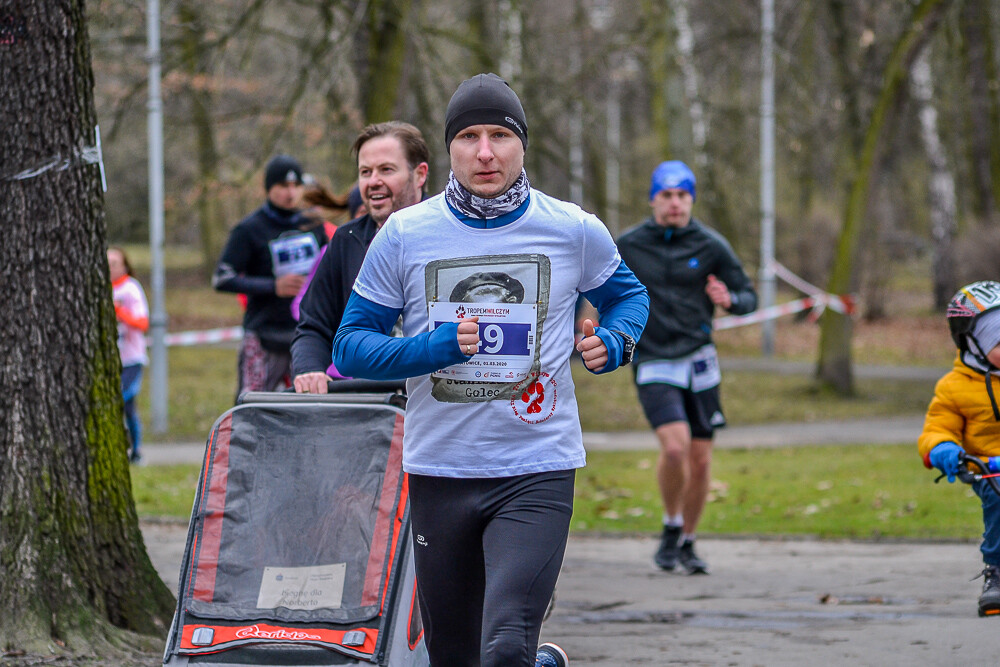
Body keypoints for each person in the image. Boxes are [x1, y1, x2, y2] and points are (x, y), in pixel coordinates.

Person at [333, 73, 649, 667]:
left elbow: (630, 298)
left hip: (537, 467)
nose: (485, 152)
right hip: (440, 470)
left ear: (521, 144)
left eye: (500, 135)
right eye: (469, 137)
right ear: (446, 150)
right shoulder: (405, 234)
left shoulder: (572, 229)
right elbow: (350, 347)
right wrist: (436, 348)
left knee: (503, 647)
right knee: (456, 656)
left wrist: (615, 339)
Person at [616, 160, 757, 575]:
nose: (675, 204)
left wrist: (730, 299)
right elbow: (595, 285)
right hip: (654, 357)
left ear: (691, 200)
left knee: (700, 459)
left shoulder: (711, 245)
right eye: (667, 196)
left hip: (698, 360)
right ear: (653, 199)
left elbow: (748, 296)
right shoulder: (629, 244)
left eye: (683, 196)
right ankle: (670, 526)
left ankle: (688, 542)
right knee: (675, 448)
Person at [291, 122, 429, 393]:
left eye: (386, 169)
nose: (373, 181)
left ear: (420, 174)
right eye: (365, 172)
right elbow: (313, 326)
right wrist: (309, 369)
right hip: (366, 406)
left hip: (435, 399)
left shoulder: (451, 232)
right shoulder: (346, 240)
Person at [213, 154, 328, 398]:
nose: (291, 192)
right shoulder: (249, 229)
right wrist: (273, 286)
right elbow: (222, 279)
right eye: (283, 186)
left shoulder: (313, 223)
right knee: (253, 404)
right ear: (268, 188)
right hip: (264, 334)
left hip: (307, 333)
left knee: (312, 403)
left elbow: (331, 267)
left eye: (296, 185)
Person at [919, 280, 1000, 617]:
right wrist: (945, 451)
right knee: (999, 495)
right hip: (990, 467)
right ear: (974, 342)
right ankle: (996, 571)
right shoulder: (953, 388)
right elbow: (937, 429)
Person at [108, 246, 149, 464]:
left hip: (131, 360)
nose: (109, 267)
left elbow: (142, 323)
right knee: (127, 407)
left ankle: (133, 451)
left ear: (124, 266)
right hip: (109, 361)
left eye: (114, 263)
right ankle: (133, 452)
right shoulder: (101, 287)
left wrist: (119, 311)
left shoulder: (131, 289)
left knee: (119, 402)